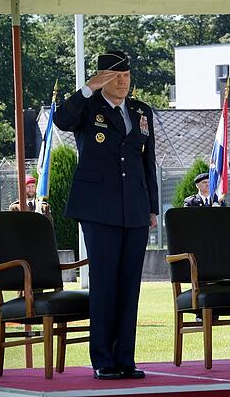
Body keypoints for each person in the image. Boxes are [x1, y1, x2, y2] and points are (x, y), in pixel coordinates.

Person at [53, 51, 158, 380]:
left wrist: (152, 207)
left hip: (135, 209)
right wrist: (87, 89)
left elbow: (146, 162)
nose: (123, 81)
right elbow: (60, 120)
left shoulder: (141, 111)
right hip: (99, 210)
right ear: (101, 78)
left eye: (126, 75)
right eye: (115, 76)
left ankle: (125, 357)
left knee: (129, 285)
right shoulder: (88, 107)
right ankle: (103, 359)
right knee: (104, 283)